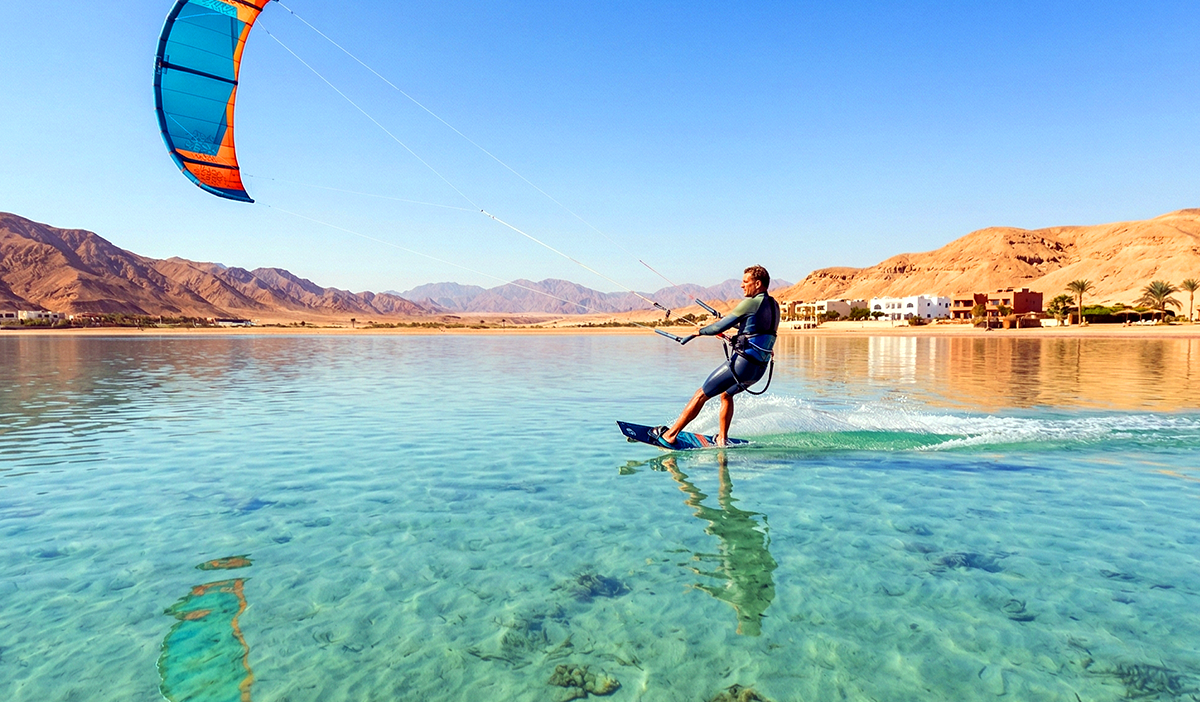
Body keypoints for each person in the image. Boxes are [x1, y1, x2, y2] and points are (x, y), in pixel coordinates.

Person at [652, 265, 779, 447]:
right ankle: (722, 438)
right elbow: (755, 329)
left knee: (701, 394)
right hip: (759, 369)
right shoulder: (774, 305)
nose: (742, 286)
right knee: (726, 395)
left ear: (758, 284)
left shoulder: (750, 303)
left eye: (745, 282)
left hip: (743, 364)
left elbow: (719, 327)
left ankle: (670, 435)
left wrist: (700, 331)